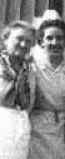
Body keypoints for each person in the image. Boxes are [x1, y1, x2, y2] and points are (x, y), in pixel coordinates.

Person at [28, 19, 65, 159]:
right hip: (37, 131)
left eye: (59, 38)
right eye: (49, 38)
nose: (55, 42)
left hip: (62, 131)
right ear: (41, 42)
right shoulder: (32, 68)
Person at [0, 20, 35, 159]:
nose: (24, 44)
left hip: (20, 124)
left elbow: (28, 102)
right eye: (19, 39)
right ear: (5, 39)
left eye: (28, 41)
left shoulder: (29, 69)